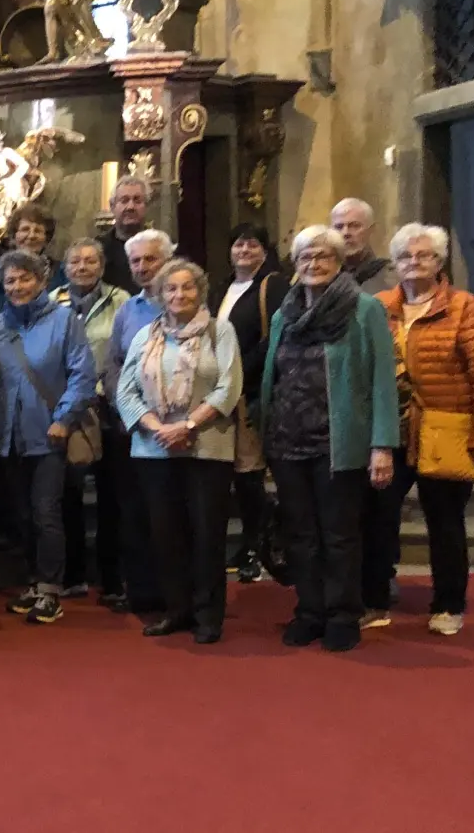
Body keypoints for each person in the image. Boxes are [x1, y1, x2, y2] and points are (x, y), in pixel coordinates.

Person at [258, 226, 399, 652]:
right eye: (304, 258)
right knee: (300, 534)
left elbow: (382, 381)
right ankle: (310, 610)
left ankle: (342, 614)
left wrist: (382, 444)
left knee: (339, 534)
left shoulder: (364, 309)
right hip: (287, 441)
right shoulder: (284, 312)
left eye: (322, 257)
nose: (313, 264)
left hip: (339, 442)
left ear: (339, 262)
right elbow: (273, 374)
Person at [368, 224, 474, 636]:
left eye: (423, 255)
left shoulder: (465, 308)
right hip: (391, 431)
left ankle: (448, 603)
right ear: (394, 264)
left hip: (446, 428)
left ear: (439, 262)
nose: (414, 262)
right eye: (406, 256)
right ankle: (373, 598)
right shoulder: (377, 306)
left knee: (445, 520)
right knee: (376, 516)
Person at [116, 259, 242, 644]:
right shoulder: (145, 337)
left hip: (207, 448)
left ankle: (207, 615)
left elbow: (228, 386)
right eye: (171, 288)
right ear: (160, 295)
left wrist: (187, 426)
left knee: (206, 535)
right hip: (155, 449)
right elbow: (126, 391)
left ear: (200, 292)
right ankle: (177, 609)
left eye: (187, 288)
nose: (178, 295)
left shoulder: (220, 332)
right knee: (166, 534)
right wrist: (159, 429)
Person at [0, 249, 95, 625]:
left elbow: (82, 374)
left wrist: (65, 417)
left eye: (25, 278)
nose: (17, 286)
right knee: (21, 516)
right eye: (10, 280)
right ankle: (32, 581)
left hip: (49, 435)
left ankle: (51, 589)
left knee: (46, 514)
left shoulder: (64, 321)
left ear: (41, 281)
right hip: (7, 437)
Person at [51, 238, 131, 602]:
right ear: (65, 268)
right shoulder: (53, 302)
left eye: (89, 261)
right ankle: (73, 572)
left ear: (101, 266)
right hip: (67, 409)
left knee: (112, 494)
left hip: (107, 406)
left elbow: (126, 353)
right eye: (75, 261)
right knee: (67, 493)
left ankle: (113, 576)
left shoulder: (121, 300)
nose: (82, 267)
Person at [102, 228, 175, 613]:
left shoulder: (184, 301)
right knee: (133, 512)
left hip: (177, 429)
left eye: (151, 259)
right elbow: (112, 364)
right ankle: (141, 591)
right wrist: (128, 410)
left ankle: (176, 593)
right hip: (132, 428)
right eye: (136, 261)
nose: (144, 267)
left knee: (170, 513)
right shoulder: (128, 310)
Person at [213, 223, 288, 583]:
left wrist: (239, 372)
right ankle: (247, 542)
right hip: (224, 387)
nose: (243, 250)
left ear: (264, 249)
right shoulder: (223, 287)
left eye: (251, 244)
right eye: (238, 243)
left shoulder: (272, 285)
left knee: (249, 472)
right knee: (236, 474)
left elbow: (273, 335)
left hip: (250, 389)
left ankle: (257, 545)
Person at [0, 205, 65, 316]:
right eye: (25, 229)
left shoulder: (61, 272)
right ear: (14, 236)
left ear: (46, 238)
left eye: (38, 231)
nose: (31, 236)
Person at [331, 197, 399, 295]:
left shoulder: (392, 278)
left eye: (355, 226)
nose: (345, 233)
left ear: (371, 229)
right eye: (339, 227)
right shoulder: (323, 277)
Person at [97, 176, 149, 292]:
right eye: (124, 200)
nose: (130, 207)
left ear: (146, 205)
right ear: (112, 206)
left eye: (137, 200)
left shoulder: (162, 247)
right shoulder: (97, 249)